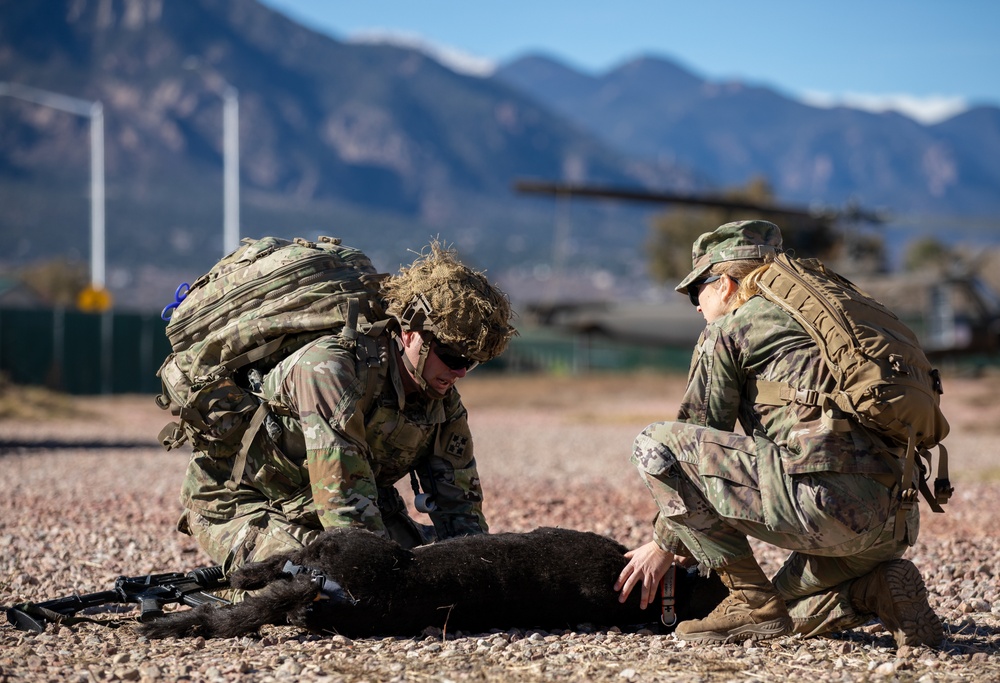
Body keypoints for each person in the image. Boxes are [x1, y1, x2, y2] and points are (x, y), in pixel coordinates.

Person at [615, 220, 943, 647]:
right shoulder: (836, 316)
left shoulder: (733, 327)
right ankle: (876, 590)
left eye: (698, 290)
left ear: (728, 283)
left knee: (655, 443)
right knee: (782, 617)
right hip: (895, 522)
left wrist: (662, 544)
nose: (697, 306)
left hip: (826, 508)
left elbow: (696, 437)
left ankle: (749, 600)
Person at [176, 241, 517, 573]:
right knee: (321, 585)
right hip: (243, 504)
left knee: (439, 571)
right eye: (453, 356)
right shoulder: (331, 371)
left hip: (327, 512)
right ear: (412, 333)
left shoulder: (441, 401)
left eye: (471, 362)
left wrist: (480, 574)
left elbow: (462, 514)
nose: (459, 372)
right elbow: (348, 514)